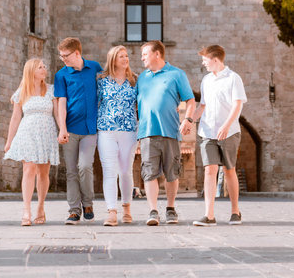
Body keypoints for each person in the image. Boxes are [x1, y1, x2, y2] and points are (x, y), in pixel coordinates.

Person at [137, 40, 196, 226]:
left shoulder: (177, 74)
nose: (142, 58)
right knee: (149, 172)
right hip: (146, 132)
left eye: (145, 54)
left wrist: (188, 119)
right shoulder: (142, 77)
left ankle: (170, 208)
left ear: (157, 54)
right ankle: (153, 211)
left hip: (170, 131)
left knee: (172, 172)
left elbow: (191, 100)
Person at [191, 45, 247, 226]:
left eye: (205, 59)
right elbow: (202, 106)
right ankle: (209, 215)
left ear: (215, 59)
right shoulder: (206, 80)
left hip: (229, 132)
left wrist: (226, 125)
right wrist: (189, 120)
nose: (203, 63)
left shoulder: (233, 78)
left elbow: (237, 105)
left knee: (229, 170)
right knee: (209, 169)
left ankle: (235, 211)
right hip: (207, 132)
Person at [4, 58, 63, 226]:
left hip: (46, 133)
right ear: (31, 71)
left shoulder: (51, 90)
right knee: (28, 169)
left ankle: (41, 207)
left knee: (43, 173)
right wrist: (9, 141)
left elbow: (58, 114)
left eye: (44, 67)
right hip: (27, 132)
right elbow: (15, 118)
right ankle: (26, 210)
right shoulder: (22, 92)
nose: (44, 70)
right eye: (40, 67)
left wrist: (62, 130)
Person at [54, 37, 103, 225]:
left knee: (85, 166)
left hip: (91, 129)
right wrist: (62, 129)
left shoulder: (95, 68)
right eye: (61, 56)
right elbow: (61, 103)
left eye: (66, 56)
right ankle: (74, 211)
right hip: (71, 129)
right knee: (72, 171)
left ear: (77, 53)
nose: (63, 59)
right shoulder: (61, 75)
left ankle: (88, 204)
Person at [96, 45, 138, 226]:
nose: (125, 59)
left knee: (125, 171)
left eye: (126, 55)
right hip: (106, 131)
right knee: (109, 171)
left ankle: (126, 209)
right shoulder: (102, 81)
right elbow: (95, 104)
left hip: (129, 131)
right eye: (121, 56)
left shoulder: (135, 81)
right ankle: (111, 212)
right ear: (113, 60)